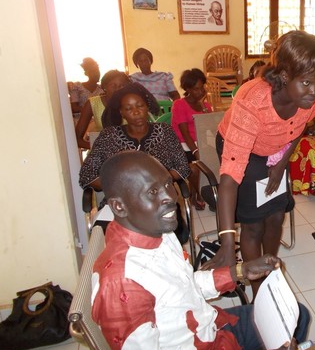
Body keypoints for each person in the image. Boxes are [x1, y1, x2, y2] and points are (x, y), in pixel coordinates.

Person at [92, 151, 315, 350]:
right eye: (152, 192)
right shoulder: (121, 284)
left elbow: (184, 286)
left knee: (299, 315)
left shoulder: (156, 231)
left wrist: (241, 272)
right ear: (119, 207)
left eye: (168, 184)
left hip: (213, 330)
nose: (169, 198)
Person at [206, 31, 315, 297]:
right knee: (253, 224)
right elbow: (230, 176)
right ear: (285, 76)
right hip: (244, 150)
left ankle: (269, 269)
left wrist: (282, 163)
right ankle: (258, 289)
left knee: (275, 214)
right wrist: (228, 242)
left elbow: (298, 127)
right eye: (307, 82)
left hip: (277, 150)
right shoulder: (252, 102)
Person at [79, 83, 190, 243]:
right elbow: (87, 175)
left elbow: (182, 168)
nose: (136, 112)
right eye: (129, 108)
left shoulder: (165, 132)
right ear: (121, 112)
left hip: (160, 202)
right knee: (123, 243)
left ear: (147, 107)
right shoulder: (109, 137)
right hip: (121, 206)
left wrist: (155, 187)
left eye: (140, 106)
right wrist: (124, 190)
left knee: (174, 236)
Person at [171, 68, 213, 211]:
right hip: (183, 145)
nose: (200, 91)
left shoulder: (205, 106)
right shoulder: (179, 105)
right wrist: (196, 151)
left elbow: (209, 128)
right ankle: (199, 194)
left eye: (202, 88)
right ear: (187, 89)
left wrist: (203, 107)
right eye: (196, 89)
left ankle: (195, 194)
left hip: (200, 142)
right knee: (195, 169)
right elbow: (185, 134)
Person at [74, 70, 129, 149]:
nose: (117, 89)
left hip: (128, 153)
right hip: (103, 156)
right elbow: (77, 139)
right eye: (113, 85)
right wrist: (100, 149)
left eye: (121, 86)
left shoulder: (131, 103)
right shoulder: (92, 103)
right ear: (104, 86)